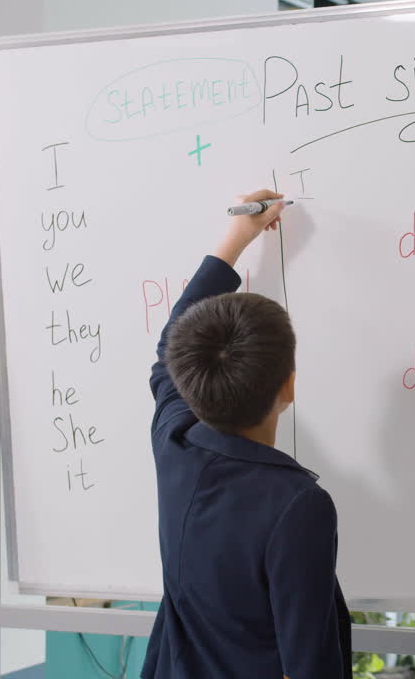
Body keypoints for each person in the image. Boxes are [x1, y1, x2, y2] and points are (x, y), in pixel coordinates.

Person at [141, 190, 351, 679]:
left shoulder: (176, 441)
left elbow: (167, 350)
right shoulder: (296, 505)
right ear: (289, 385)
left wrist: (235, 240)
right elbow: (312, 665)